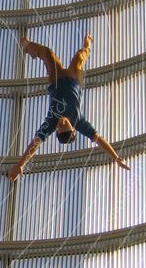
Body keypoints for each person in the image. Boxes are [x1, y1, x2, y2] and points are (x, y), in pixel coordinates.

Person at [9, 34, 131, 181]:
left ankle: (28, 47)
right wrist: (116, 158)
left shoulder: (51, 122)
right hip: (74, 79)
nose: (61, 122)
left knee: (48, 54)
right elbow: (99, 140)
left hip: (56, 79)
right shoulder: (79, 121)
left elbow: (36, 143)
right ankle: (88, 46)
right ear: (73, 128)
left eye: (59, 126)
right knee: (80, 58)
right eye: (65, 124)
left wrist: (21, 164)